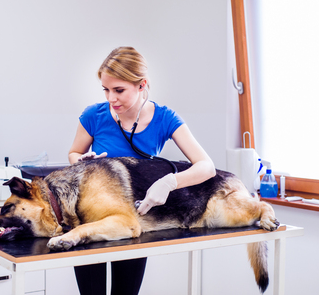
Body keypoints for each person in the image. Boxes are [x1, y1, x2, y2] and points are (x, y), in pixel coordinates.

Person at [68, 46, 216, 295]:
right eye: (106, 90)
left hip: (133, 218)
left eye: (119, 90)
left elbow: (206, 166)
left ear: (141, 85)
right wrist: (81, 161)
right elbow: (73, 153)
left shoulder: (165, 118)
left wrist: (169, 182)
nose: (111, 99)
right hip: (91, 216)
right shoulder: (94, 115)